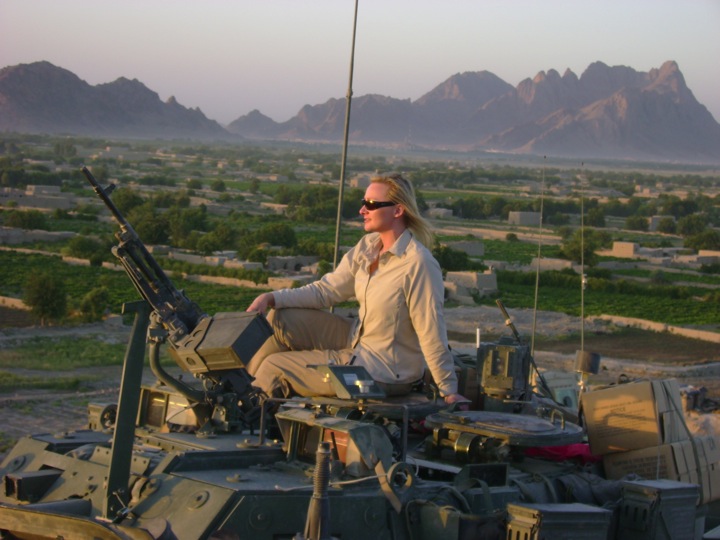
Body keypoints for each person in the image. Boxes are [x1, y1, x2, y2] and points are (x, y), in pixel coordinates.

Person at [246, 173, 468, 406]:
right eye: (363, 203)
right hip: (358, 340)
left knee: (274, 365)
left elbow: (431, 330)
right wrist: (271, 297)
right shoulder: (368, 247)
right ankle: (244, 384)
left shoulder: (417, 264)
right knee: (280, 318)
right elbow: (327, 291)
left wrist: (447, 389)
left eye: (371, 204)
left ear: (398, 211)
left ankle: (248, 408)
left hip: (382, 370)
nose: (362, 210)